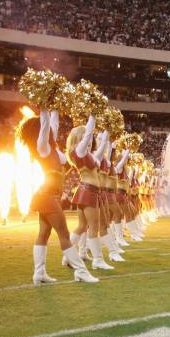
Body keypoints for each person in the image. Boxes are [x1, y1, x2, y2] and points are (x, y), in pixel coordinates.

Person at [21, 109, 98, 284]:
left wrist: (55, 107)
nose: (50, 130)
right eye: (45, 129)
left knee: (43, 234)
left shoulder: (52, 147)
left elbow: (52, 124)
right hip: (47, 196)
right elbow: (47, 123)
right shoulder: (43, 147)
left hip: (48, 195)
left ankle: (39, 273)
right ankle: (80, 271)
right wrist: (45, 108)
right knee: (64, 234)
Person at [66, 116, 115, 271]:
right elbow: (88, 133)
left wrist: (108, 129)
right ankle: (98, 260)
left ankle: (67, 256)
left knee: (82, 226)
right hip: (89, 192)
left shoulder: (86, 154)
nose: (91, 138)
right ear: (80, 138)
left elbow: (101, 151)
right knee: (93, 226)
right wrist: (93, 115)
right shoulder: (78, 152)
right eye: (87, 136)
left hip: (85, 191)